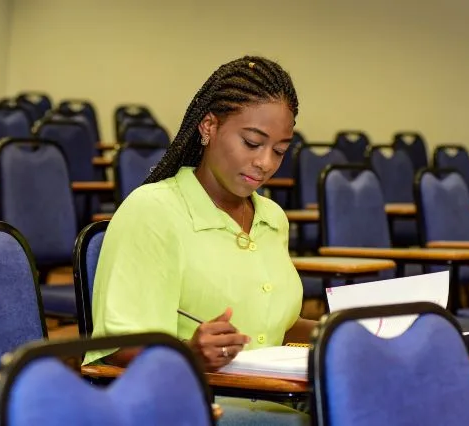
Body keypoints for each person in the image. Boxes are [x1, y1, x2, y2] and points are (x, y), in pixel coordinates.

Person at [85, 56, 315, 424]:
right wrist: (191, 352)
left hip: (272, 397)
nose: (265, 163)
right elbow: (115, 350)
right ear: (208, 127)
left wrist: (336, 333)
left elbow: (275, 325)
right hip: (190, 405)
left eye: (279, 150)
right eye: (252, 142)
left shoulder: (272, 217)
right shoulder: (153, 211)